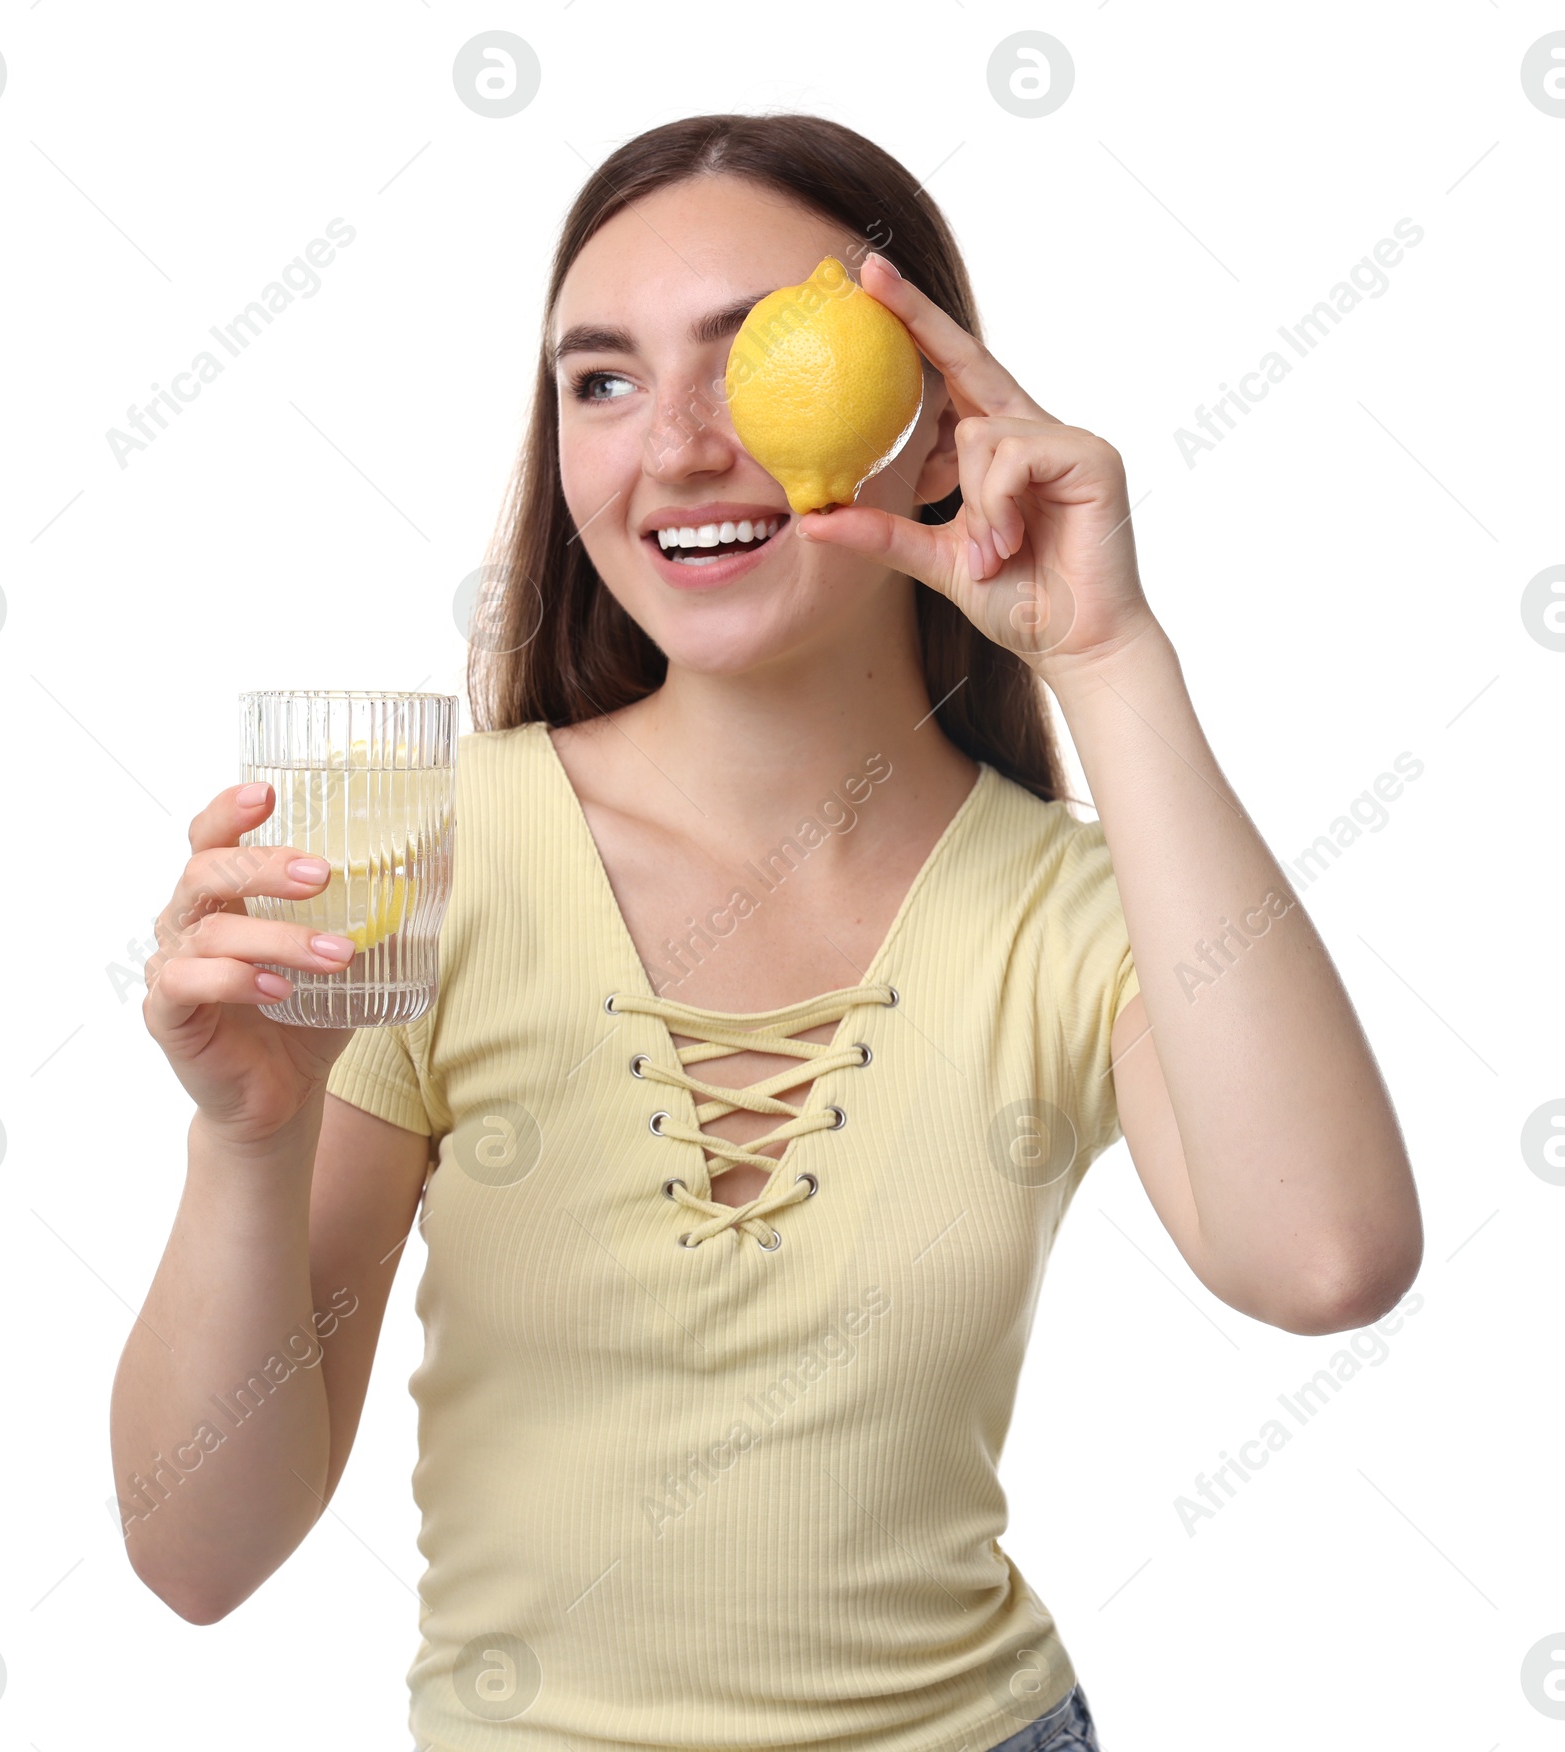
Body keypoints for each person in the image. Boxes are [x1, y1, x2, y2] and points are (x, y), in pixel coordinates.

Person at [111, 113, 1424, 1752]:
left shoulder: (1069, 915)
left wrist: (1108, 649)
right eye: (600, 382)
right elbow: (197, 1558)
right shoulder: (430, 855)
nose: (672, 449)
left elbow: (1326, 1261)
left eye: (755, 363)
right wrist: (252, 1135)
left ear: (934, 424)